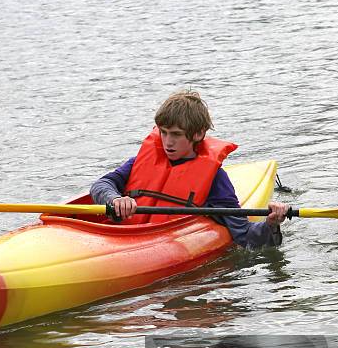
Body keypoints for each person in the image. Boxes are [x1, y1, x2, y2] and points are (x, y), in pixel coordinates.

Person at [90, 91, 288, 248]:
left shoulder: (215, 179)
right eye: (164, 133)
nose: (168, 142)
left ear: (199, 133)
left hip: (162, 243)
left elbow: (245, 236)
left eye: (176, 134)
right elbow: (102, 184)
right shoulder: (139, 162)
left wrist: (271, 224)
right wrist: (114, 199)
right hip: (120, 237)